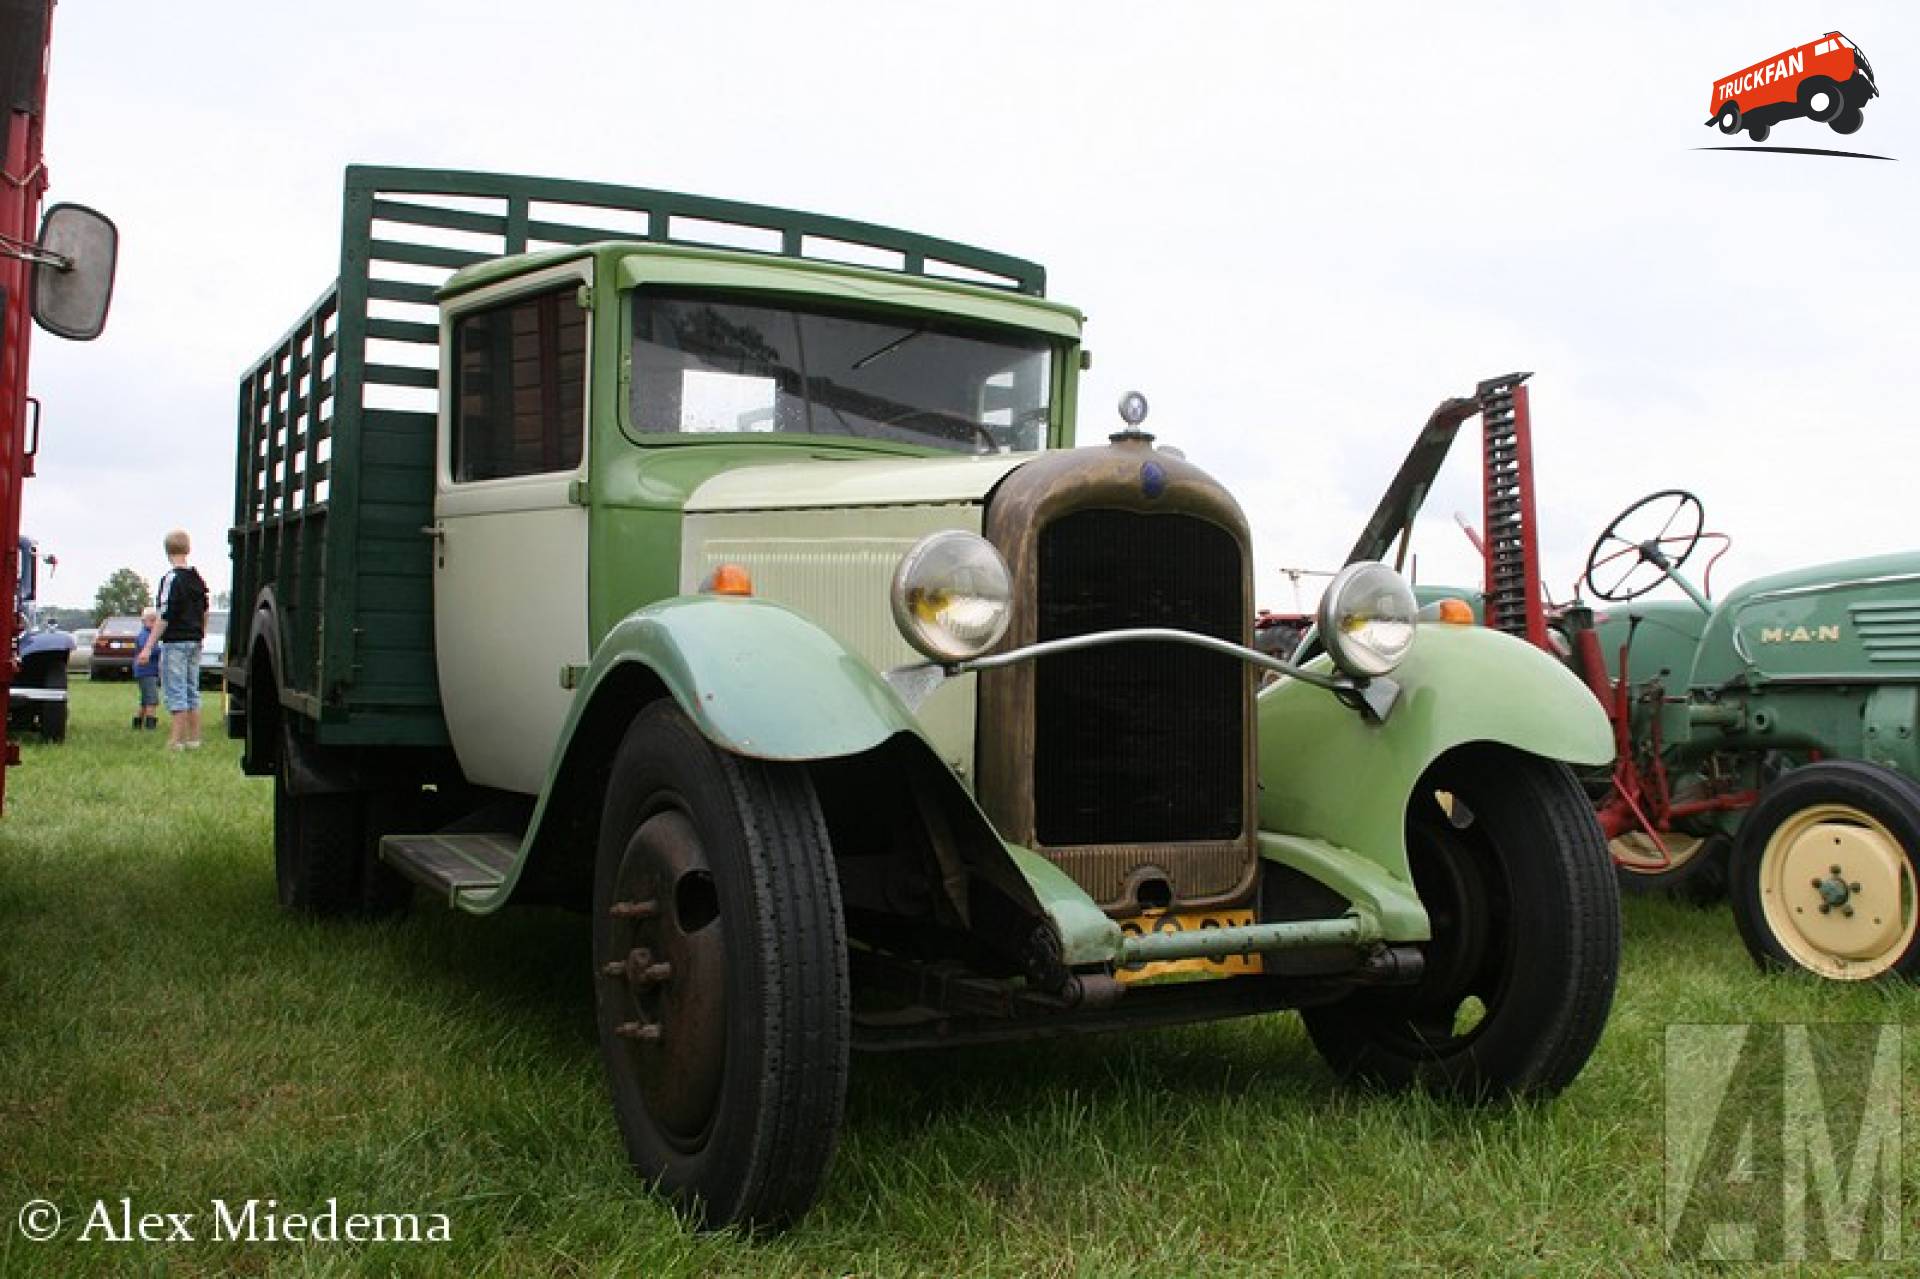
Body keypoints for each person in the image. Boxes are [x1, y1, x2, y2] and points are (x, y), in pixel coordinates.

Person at [136, 529, 210, 751]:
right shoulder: (197, 578)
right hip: (195, 640)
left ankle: (175, 740)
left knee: (175, 689)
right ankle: (194, 739)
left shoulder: (171, 579)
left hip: (175, 641)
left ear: (167, 551)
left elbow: (164, 615)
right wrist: (201, 634)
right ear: (188, 549)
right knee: (191, 688)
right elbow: (205, 611)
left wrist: (148, 646)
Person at [131, 606, 161, 730]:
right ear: (144, 621)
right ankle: (150, 725)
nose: (155, 624)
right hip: (146, 671)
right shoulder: (145, 635)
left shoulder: (150, 635)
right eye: (152, 620)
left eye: (156, 621)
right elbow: (148, 650)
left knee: (145, 699)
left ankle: (137, 723)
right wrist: (161, 649)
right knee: (152, 699)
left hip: (148, 671)